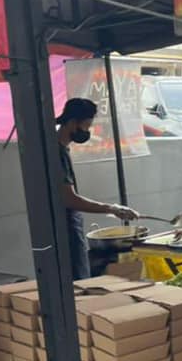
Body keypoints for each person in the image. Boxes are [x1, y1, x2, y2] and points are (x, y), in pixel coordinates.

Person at [56, 99, 138, 280]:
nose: (87, 131)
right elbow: (69, 199)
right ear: (72, 123)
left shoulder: (60, 149)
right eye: (86, 126)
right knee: (78, 282)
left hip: (66, 225)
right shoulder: (57, 153)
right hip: (64, 229)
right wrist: (112, 209)